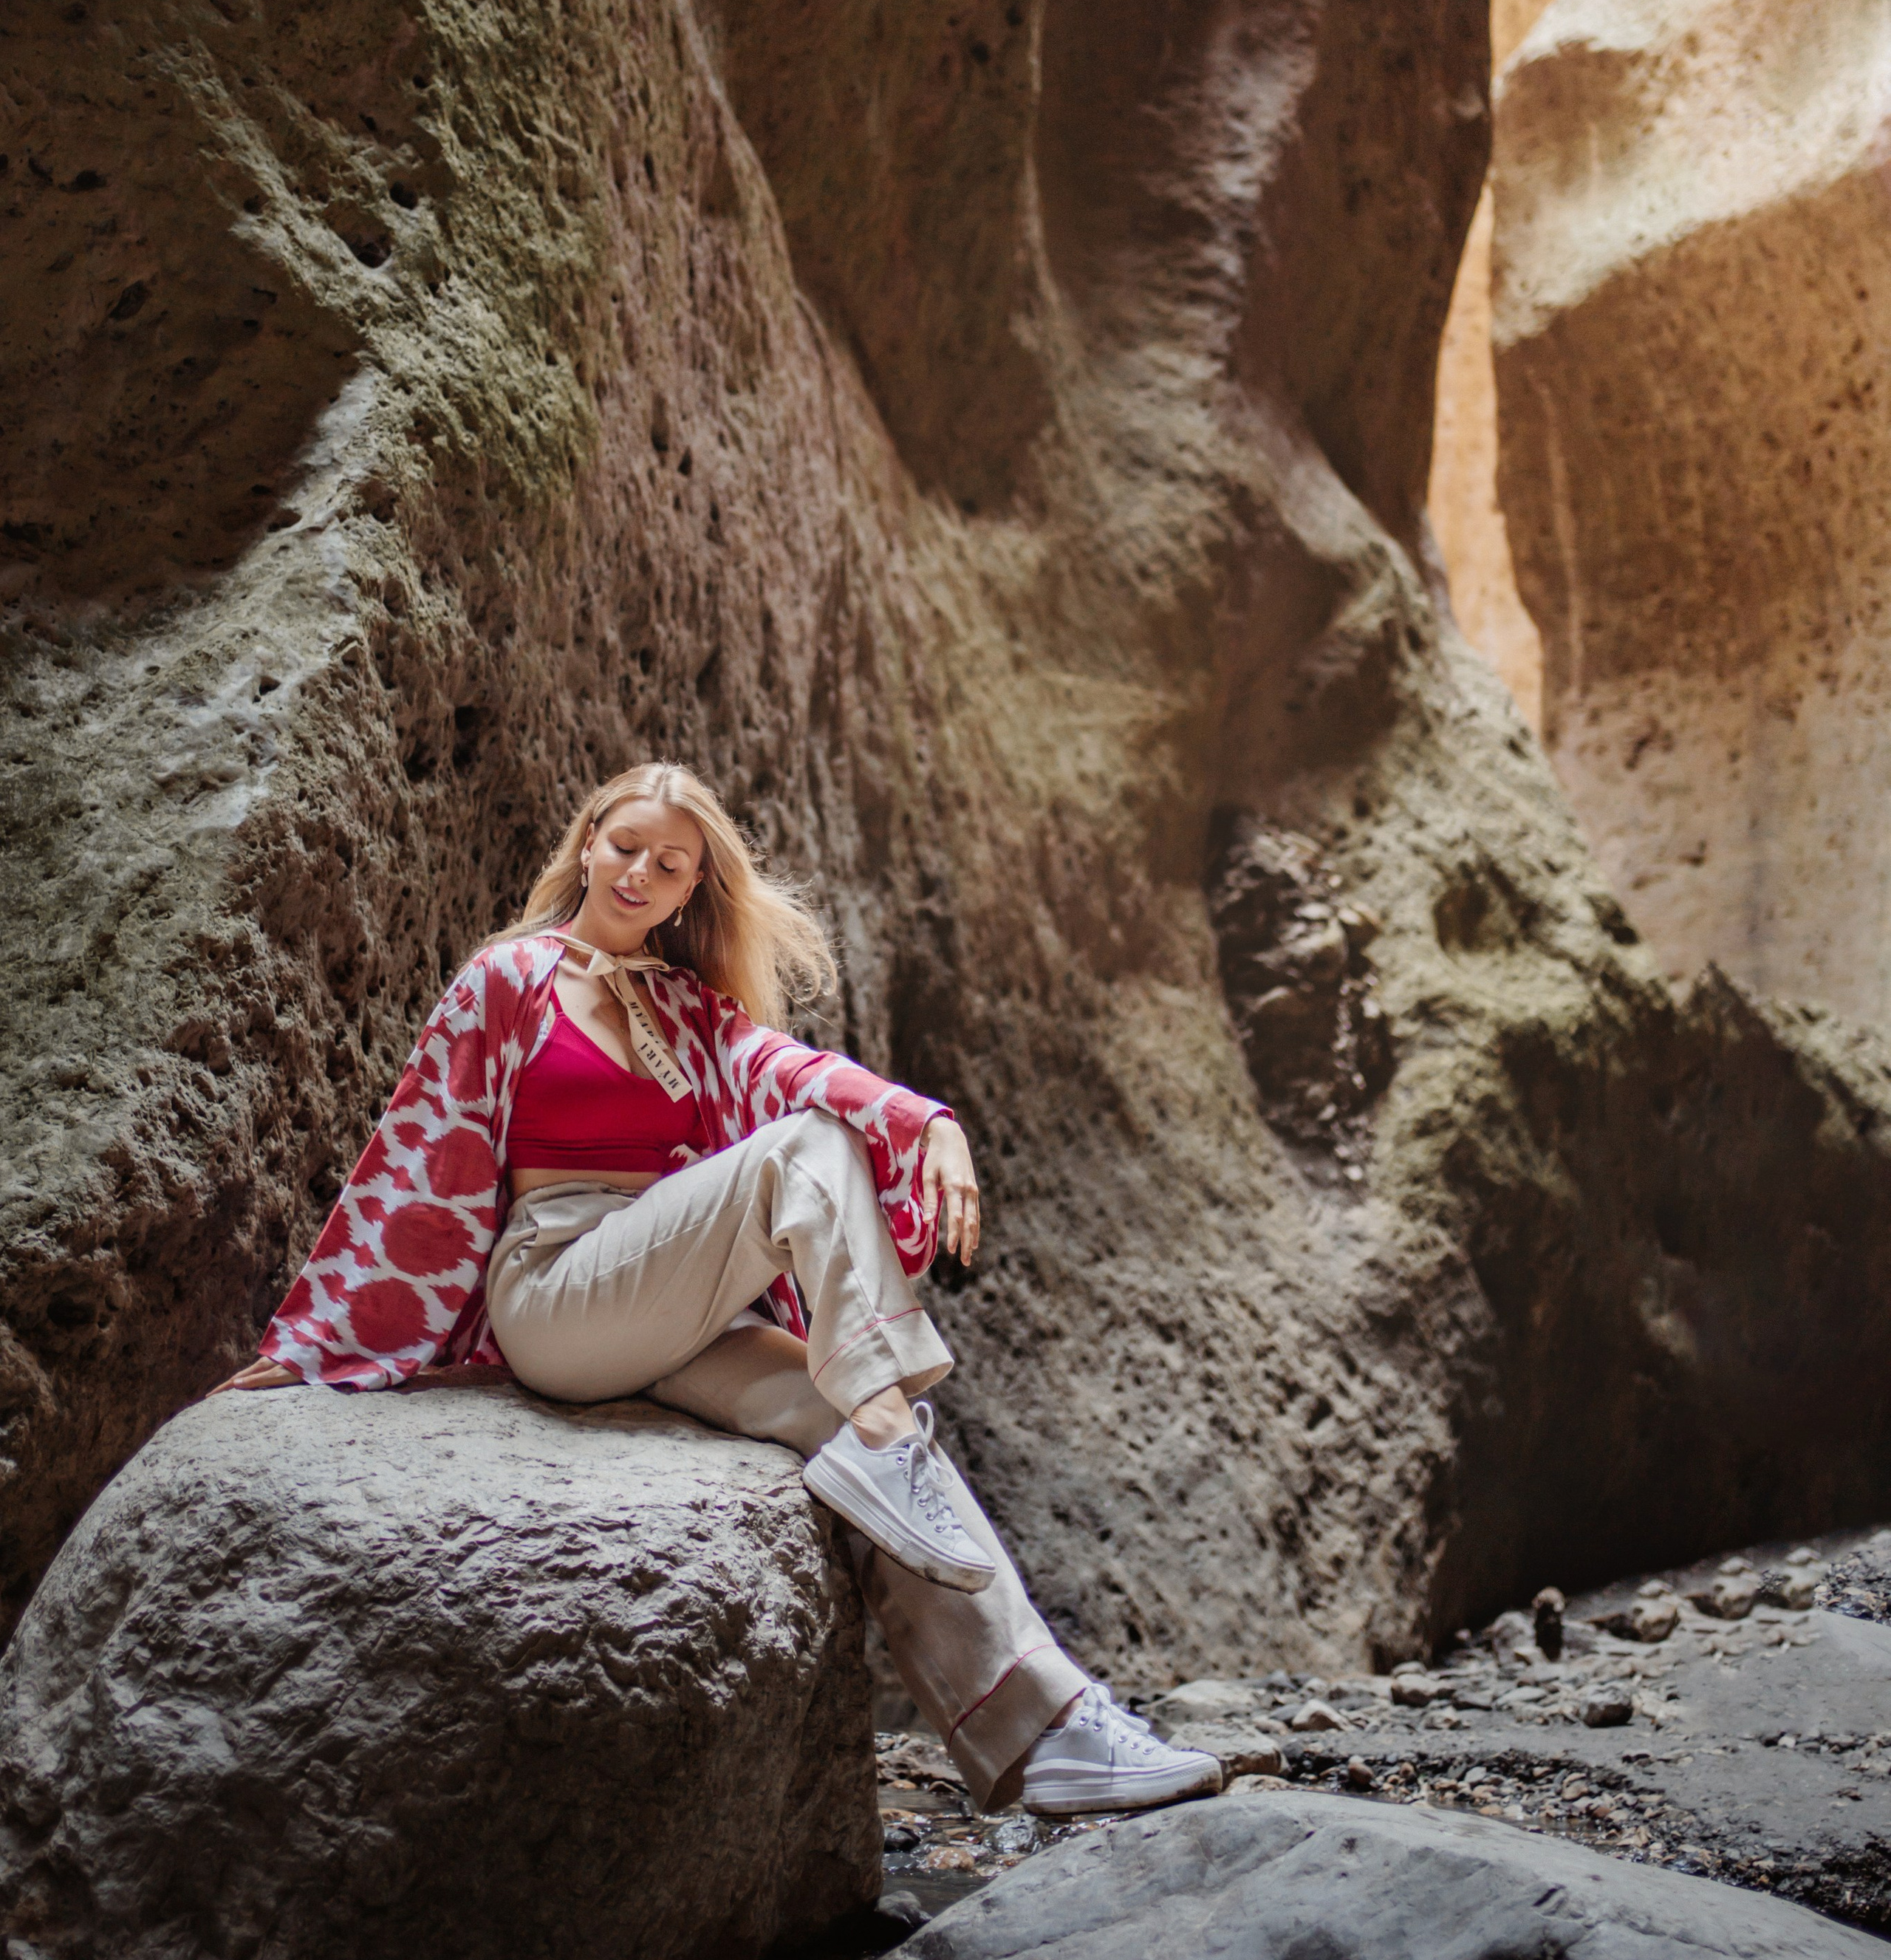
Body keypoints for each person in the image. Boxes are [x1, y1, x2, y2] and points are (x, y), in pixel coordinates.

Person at [216, 759, 1222, 1818]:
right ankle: (887, 1425)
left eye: (671, 862)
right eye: (626, 846)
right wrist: (316, 1342)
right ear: (590, 839)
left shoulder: (688, 1010)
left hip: (669, 1300)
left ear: (694, 886)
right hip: (557, 1286)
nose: (640, 873)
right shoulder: (508, 979)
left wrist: (927, 1119)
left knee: (853, 1421)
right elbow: (420, 1155)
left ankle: (1047, 1729)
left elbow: (793, 1069)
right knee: (808, 1168)